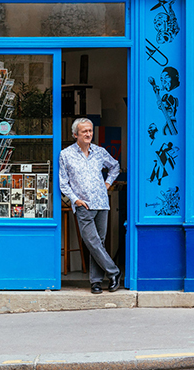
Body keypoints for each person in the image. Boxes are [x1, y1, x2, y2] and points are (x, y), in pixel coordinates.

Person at [59, 117, 121, 294]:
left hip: (102, 203)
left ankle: (95, 282)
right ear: (75, 134)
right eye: (84, 131)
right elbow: (63, 183)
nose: (88, 134)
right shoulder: (66, 155)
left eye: (90, 131)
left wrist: (107, 184)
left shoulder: (100, 152)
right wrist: (75, 199)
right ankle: (114, 272)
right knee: (92, 242)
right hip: (83, 205)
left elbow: (115, 166)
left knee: (98, 243)